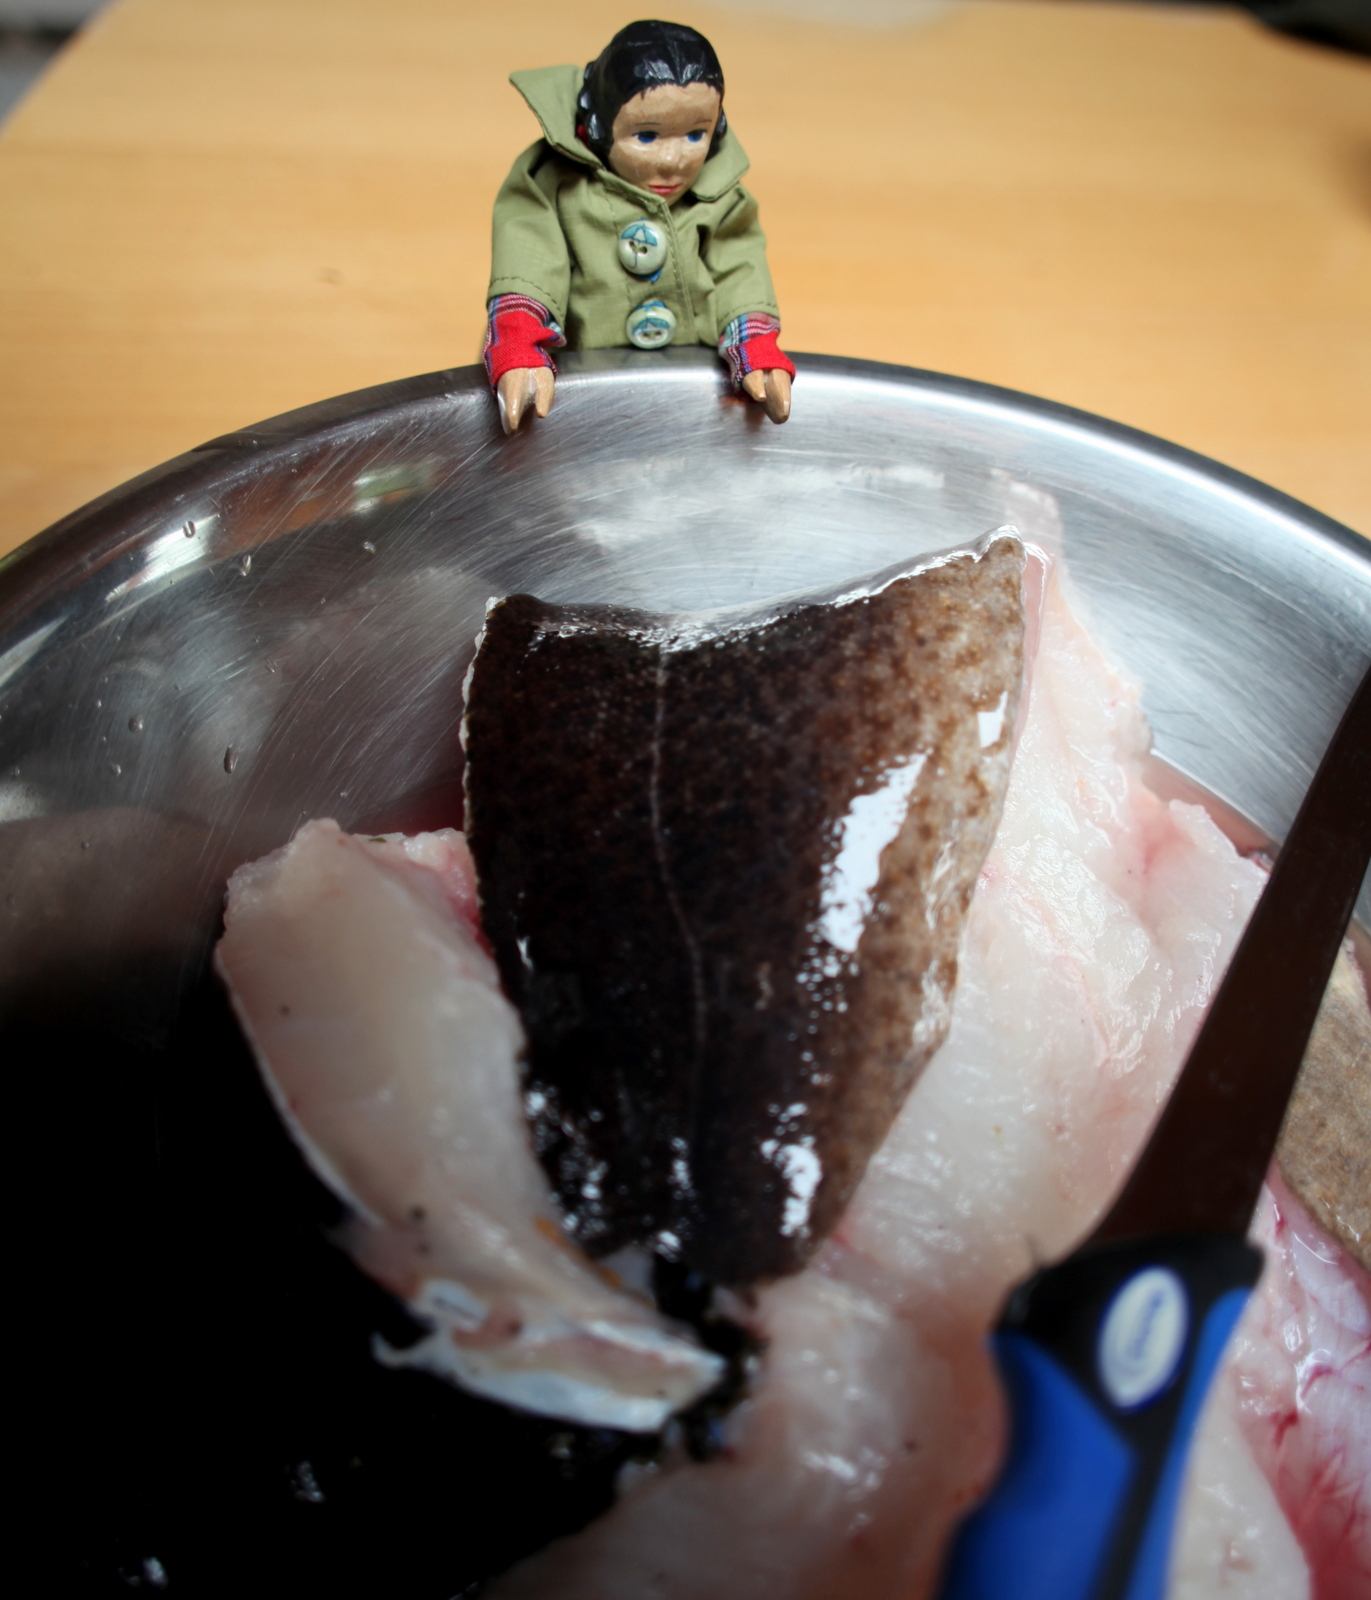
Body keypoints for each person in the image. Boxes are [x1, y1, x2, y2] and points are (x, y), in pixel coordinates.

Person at [484, 20, 795, 434]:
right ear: (599, 127)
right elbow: (529, 255)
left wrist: (753, 342)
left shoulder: (721, 196)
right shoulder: (555, 184)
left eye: (696, 135)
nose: (672, 160)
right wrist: (519, 341)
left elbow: (739, 265)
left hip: (694, 385)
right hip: (574, 377)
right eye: (646, 136)